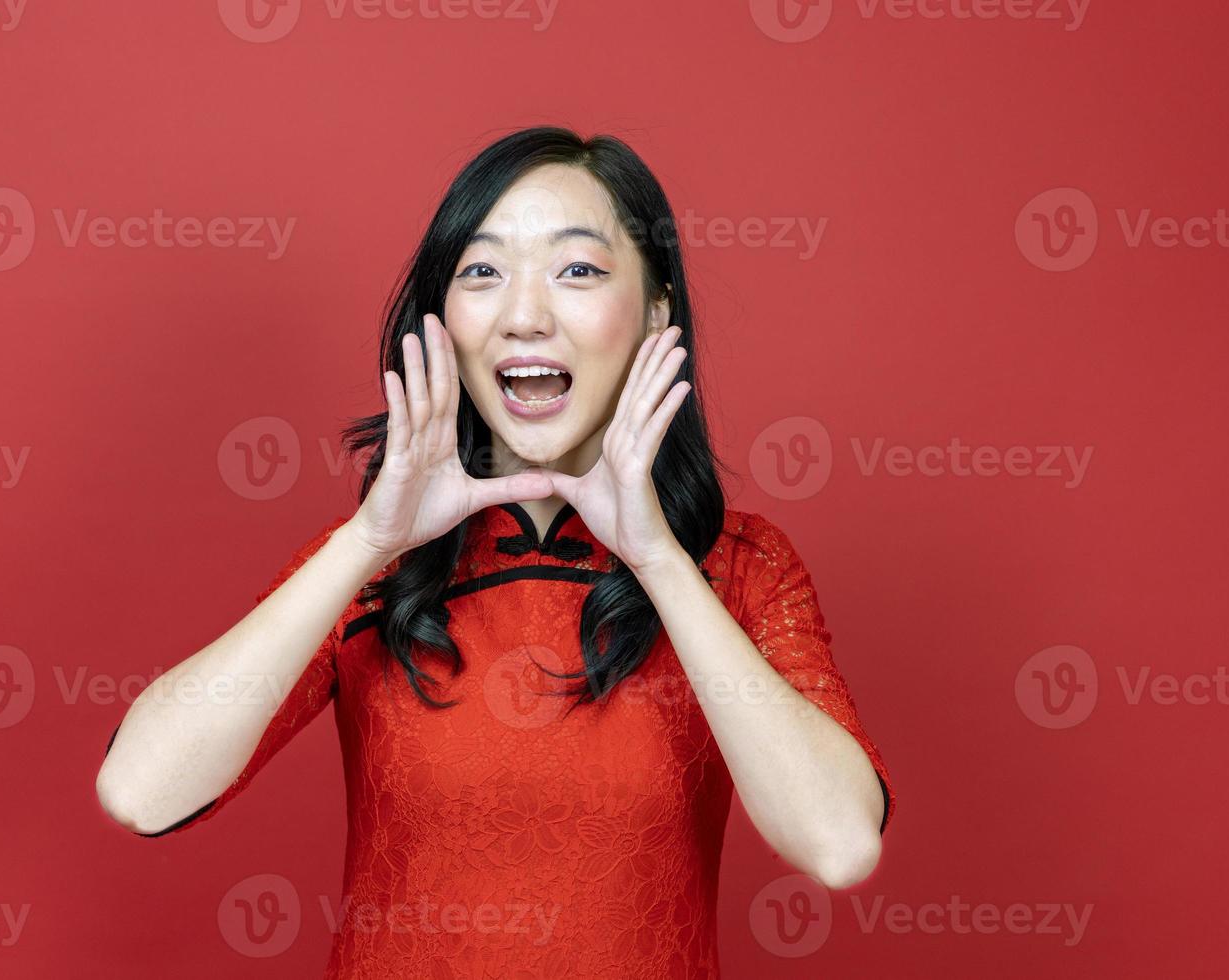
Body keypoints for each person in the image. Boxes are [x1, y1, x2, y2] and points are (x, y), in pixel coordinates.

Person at [95, 125, 895, 978]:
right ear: (445, 319)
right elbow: (141, 793)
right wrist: (369, 540)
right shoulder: (375, 566)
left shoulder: (737, 566)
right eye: (483, 271)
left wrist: (659, 557)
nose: (524, 315)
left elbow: (840, 844)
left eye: (577, 269)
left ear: (657, 307)